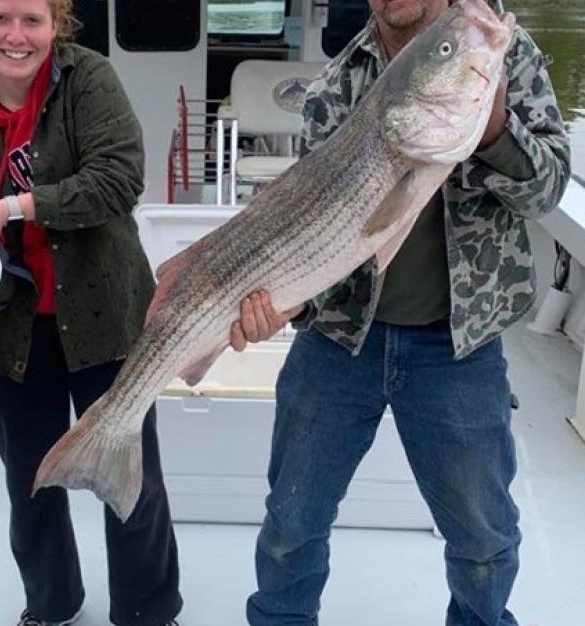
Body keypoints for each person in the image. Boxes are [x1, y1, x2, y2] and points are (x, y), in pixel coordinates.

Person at [231, 1, 571, 625]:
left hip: (458, 346)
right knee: (291, 523)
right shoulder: (335, 83)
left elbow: (548, 188)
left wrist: (496, 133)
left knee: (483, 542)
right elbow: (315, 225)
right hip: (340, 339)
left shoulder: (495, 53)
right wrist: (279, 304)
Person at [0, 1, 182, 625]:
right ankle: (51, 605)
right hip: (15, 334)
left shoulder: (88, 79)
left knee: (130, 479)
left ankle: (148, 612)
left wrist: (17, 207)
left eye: (32, 20)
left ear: (56, 25)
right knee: (31, 482)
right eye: (0, 20)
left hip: (108, 318)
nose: (16, 37)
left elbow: (118, 179)